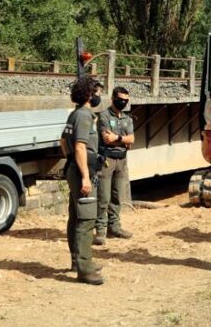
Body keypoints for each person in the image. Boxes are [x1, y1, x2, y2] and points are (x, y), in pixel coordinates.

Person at [60, 77, 104, 285]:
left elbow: (63, 141)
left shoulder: (74, 115)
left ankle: (78, 261)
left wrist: (70, 162)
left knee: (75, 216)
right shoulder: (85, 116)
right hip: (81, 172)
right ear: (88, 94)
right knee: (86, 219)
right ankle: (85, 270)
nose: (99, 96)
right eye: (97, 92)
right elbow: (79, 147)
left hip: (74, 168)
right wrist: (85, 175)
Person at [94, 86, 134, 246]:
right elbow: (106, 139)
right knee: (104, 197)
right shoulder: (103, 116)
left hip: (122, 161)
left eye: (125, 100)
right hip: (107, 160)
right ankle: (101, 231)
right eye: (120, 99)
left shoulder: (127, 118)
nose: (123, 102)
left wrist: (118, 137)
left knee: (118, 196)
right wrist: (123, 139)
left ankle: (115, 227)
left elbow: (131, 139)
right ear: (113, 99)